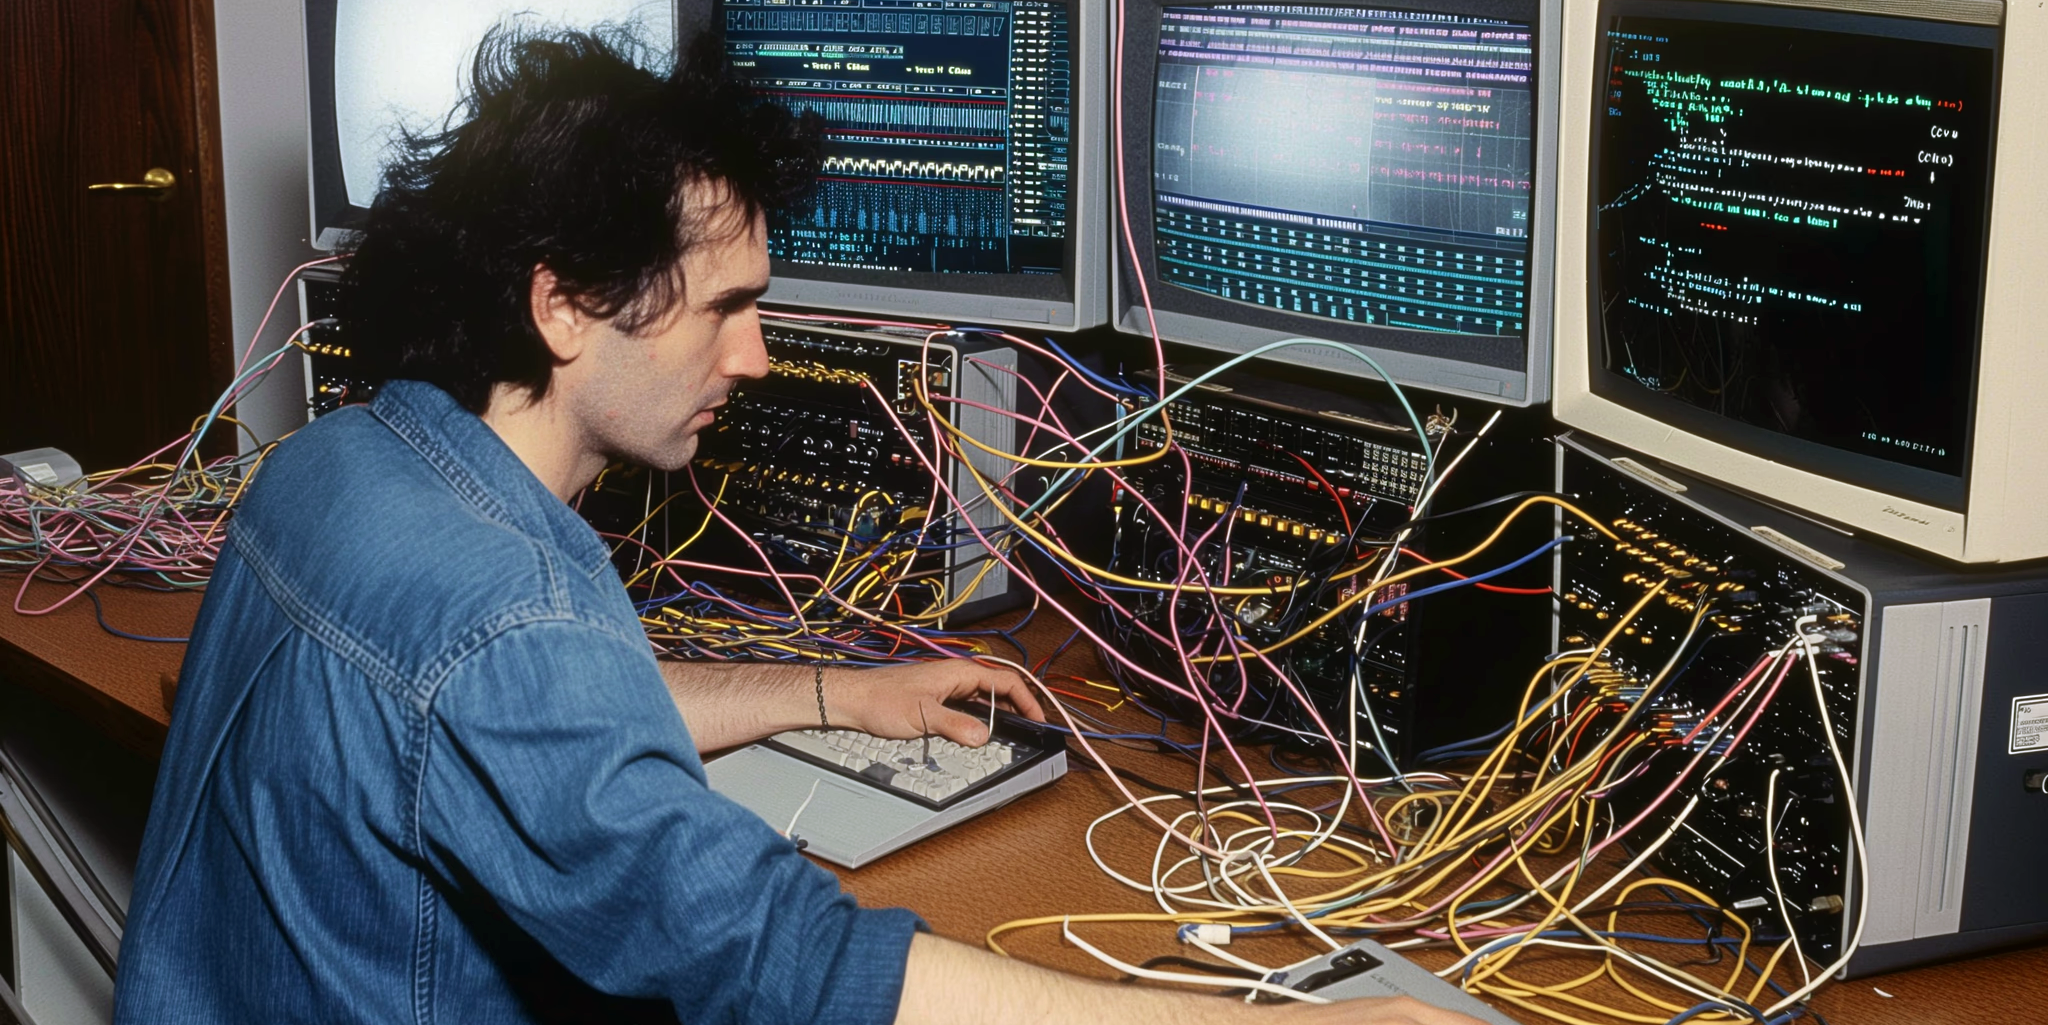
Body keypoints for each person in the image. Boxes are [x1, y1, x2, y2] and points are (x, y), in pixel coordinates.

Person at [113, 27, 1482, 1025]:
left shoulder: (342, 465)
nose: (759, 355)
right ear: (564, 305)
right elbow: (785, 962)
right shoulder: (510, 612)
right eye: (726, 305)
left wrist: (832, 692)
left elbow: (520, 724)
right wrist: (1280, 1024)